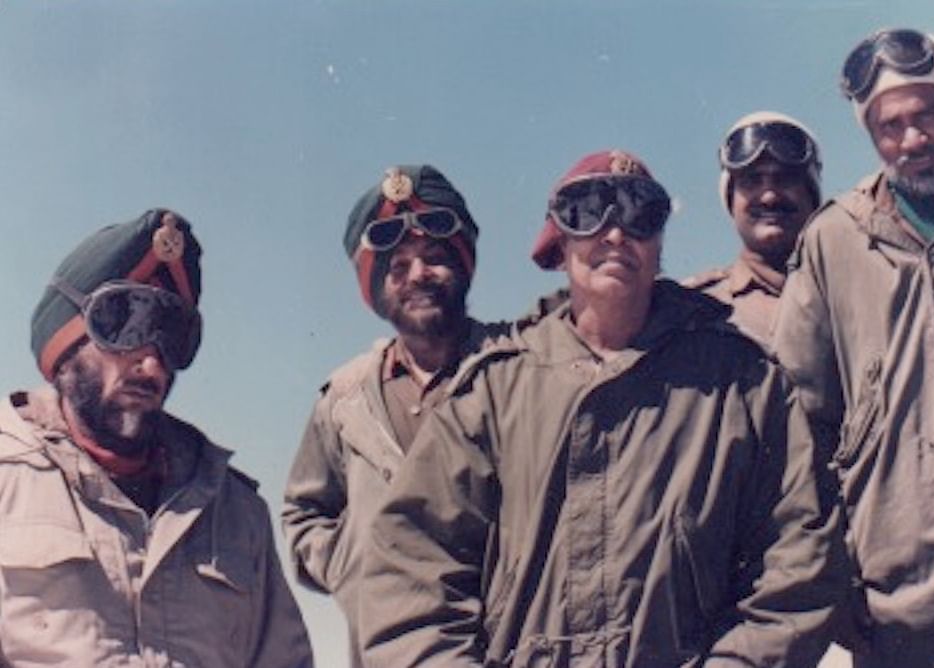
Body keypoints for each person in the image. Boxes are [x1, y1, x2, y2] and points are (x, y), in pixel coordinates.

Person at [359, 150, 844, 667]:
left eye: (640, 213)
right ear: (560, 242)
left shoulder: (742, 384)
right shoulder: (493, 392)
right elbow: (411, 574)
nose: (615, 233)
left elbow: (800, 559)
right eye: (588, 210)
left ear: (659, 244)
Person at [0, 209, 312, 666]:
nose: (151, 364)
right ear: (65, 343)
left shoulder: (236, 513)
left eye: (172, 335)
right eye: (126, 324)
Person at [773, 28, 934, 667]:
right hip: (908, 600)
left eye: (929, 115)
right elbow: (798, 429)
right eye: (891, 126)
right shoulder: (834, 240)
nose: (913, 139)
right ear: (870, 135)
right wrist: (836, 580)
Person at [281, 165, 506, 666]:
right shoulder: (344, 400)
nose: (417, 277)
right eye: (397, 267)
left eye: (433, 259)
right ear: (378, 288)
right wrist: (357, 567)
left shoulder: (513, 369)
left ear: (462, 266)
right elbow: (303, 512)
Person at [684, 111, 821, 348]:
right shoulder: (691, 310)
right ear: (731, 202)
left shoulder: (854, 293)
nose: (768, 196)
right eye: (752, 181)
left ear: (811, 195)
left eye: (784, 179)